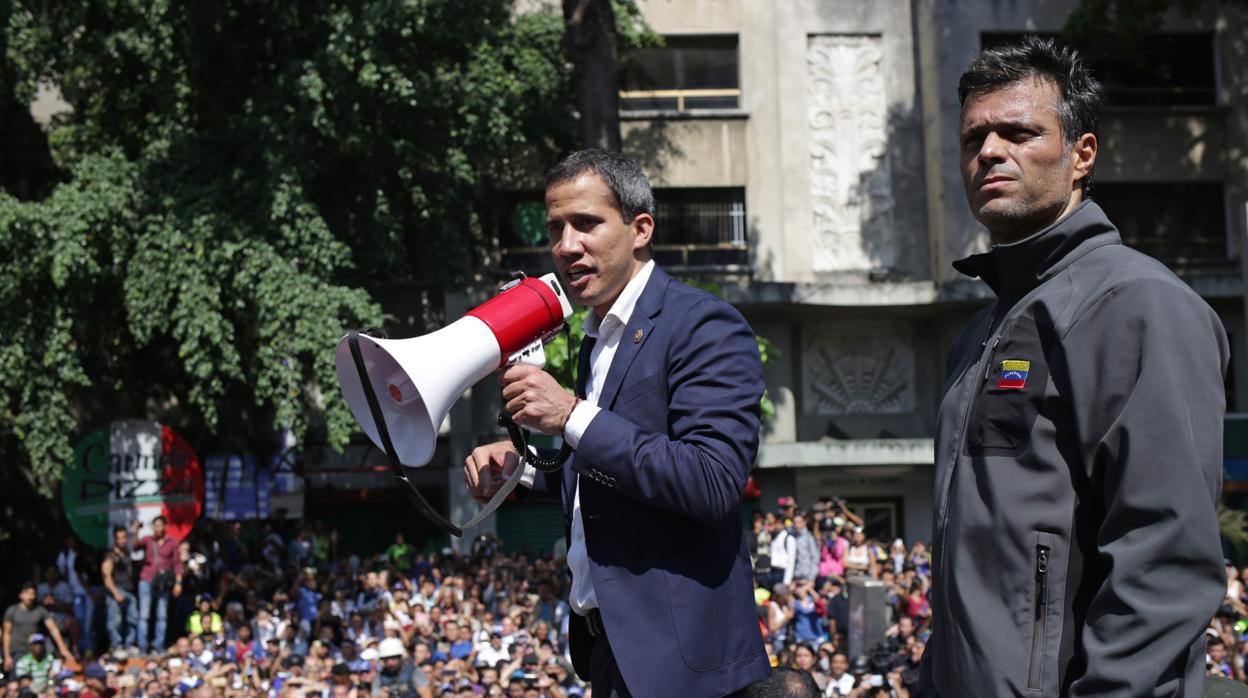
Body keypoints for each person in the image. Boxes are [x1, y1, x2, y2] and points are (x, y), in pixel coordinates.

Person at [920, 36, 1228, 696]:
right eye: (974, 138)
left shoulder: (1138, 305)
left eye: (1018, 132)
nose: (990, 153)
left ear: (1081, 153)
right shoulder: (980, 331)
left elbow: (1164, 561)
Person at [465, 149, 770, 696]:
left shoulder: (704, 324)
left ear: (640, 229)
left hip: (685, 670)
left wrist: (571, 415)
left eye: (586, 223)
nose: (565, 246)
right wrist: (522, 469)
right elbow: (605, 477)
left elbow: (713, 480)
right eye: (555, 227)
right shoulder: (597, 339)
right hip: (611, 656)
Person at [136, 516, 183, 654]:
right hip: (146, 579)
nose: (157, 528)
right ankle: (143, 647)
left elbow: (177, 564)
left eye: (159, 525)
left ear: (165, 526)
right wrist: (135, 532)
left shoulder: (172, 542)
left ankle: (159, 645)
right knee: (144, 615)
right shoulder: (148, 540)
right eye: (155, 525)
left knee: (162, 616)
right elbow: (134, 546)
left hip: (163, 583)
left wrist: (178, 583)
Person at [3, 582, 72, 675]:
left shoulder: (40, 610)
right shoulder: (12, 611)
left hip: (36, 653)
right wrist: (7, 656)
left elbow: (53, 629)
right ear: (21, 595)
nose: (30, 596)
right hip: (17, 652)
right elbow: (7, 634)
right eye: (27, 593)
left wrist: (63, 649)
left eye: (33, 594)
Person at [101, 524, 139, 654]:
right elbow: (106, 575)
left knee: (132, 619)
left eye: (124, 537)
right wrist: (115, 592)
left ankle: (129, 645)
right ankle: (116, 645)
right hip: (116, 591)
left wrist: (135, 532)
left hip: (130, 590)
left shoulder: (128, 552)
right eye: (119, 538)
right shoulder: (111, 555)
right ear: (115, 539)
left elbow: (137, 545)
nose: (122, 540)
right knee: (115, 621)